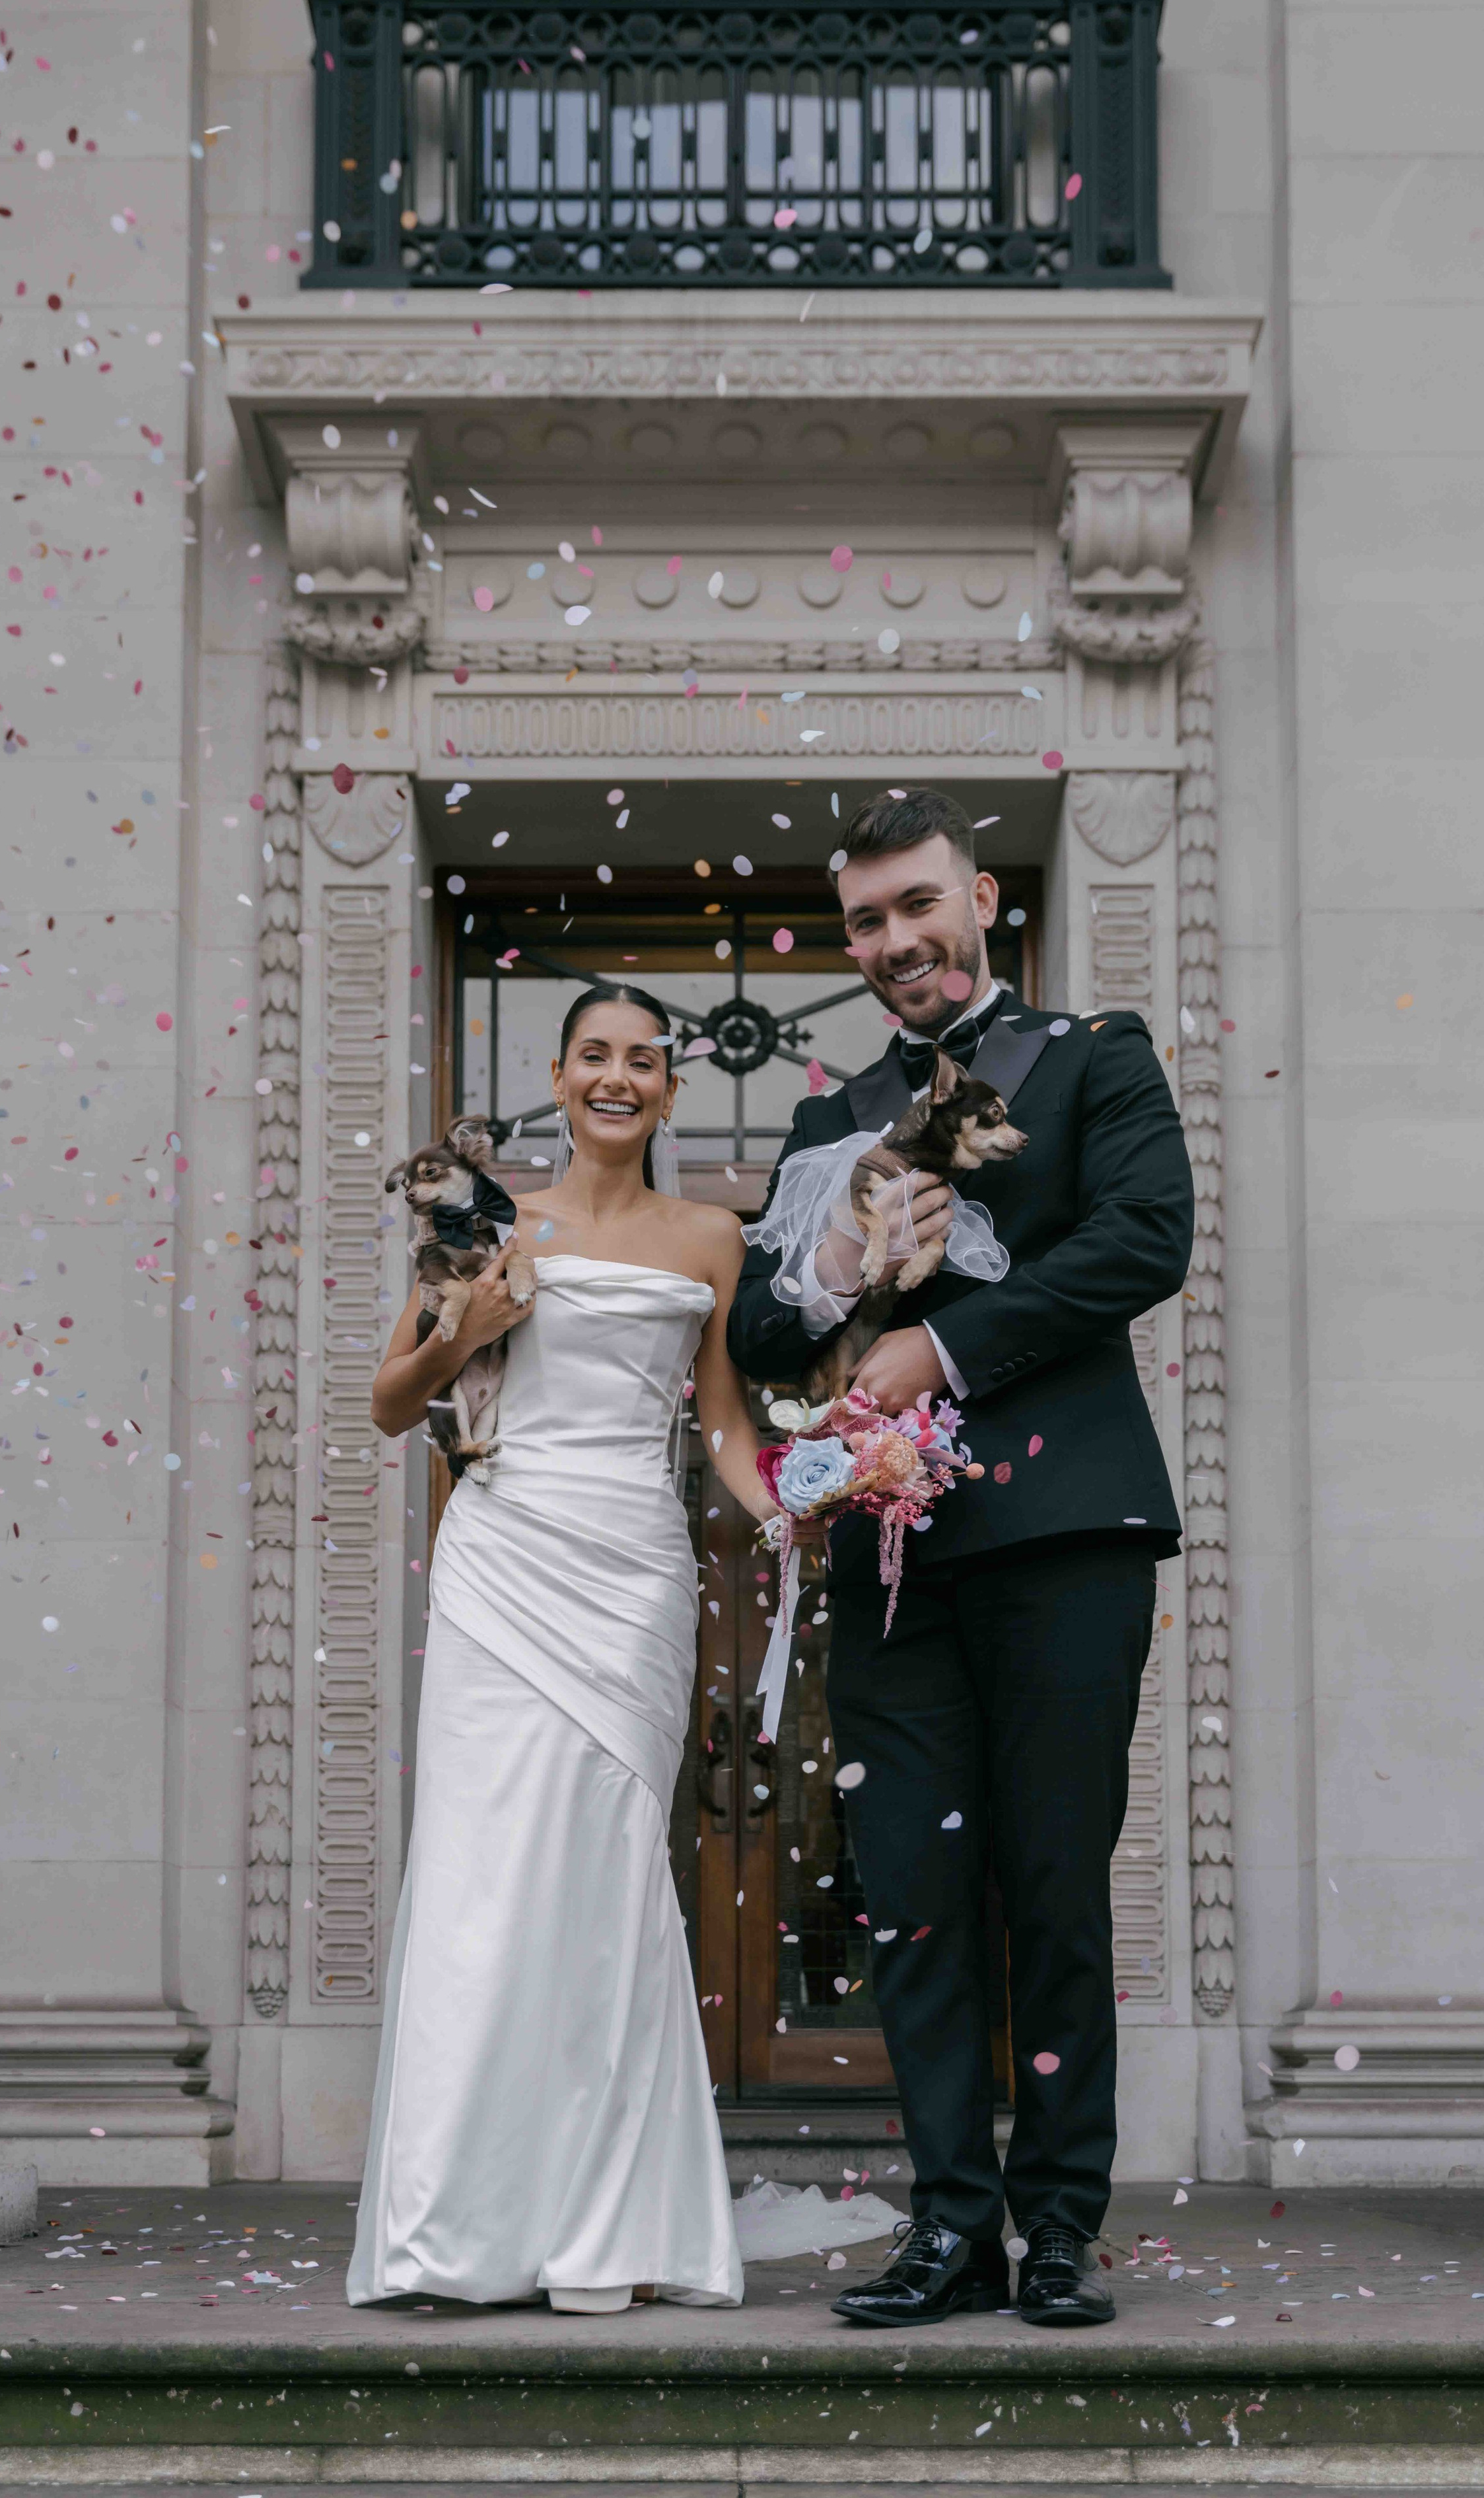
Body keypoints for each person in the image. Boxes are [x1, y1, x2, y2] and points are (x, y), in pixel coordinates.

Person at [728, 785, 1193, 2330]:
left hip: (1064, 1534)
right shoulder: (820, 1121)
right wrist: (842, 1272)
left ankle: (1058, 2228)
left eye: (915, 905)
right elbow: (749, 1330)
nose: (893, 942)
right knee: (912, 1899)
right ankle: (951, 2230)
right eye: (864, 921)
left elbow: (1139, 1241)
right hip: (890, 1563)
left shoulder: (1090, 1059)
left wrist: (942, 1344)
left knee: (1050, 1886)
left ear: (978, 899)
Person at [349, 981, 777, 2314]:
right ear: (557, 1072)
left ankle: (606, 2228)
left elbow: (716, 1420)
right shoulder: (488, 1226)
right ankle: (452, 2229)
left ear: (665, 1090)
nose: (617, 1077)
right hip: (502, 1561)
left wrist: (785, 1512)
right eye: (593, 1054)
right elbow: (386, 1403)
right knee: (482, 1881)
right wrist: (463, 1332)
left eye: (642, 1061)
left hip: (634, 1576)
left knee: (602, 1882)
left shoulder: (712, 1236)